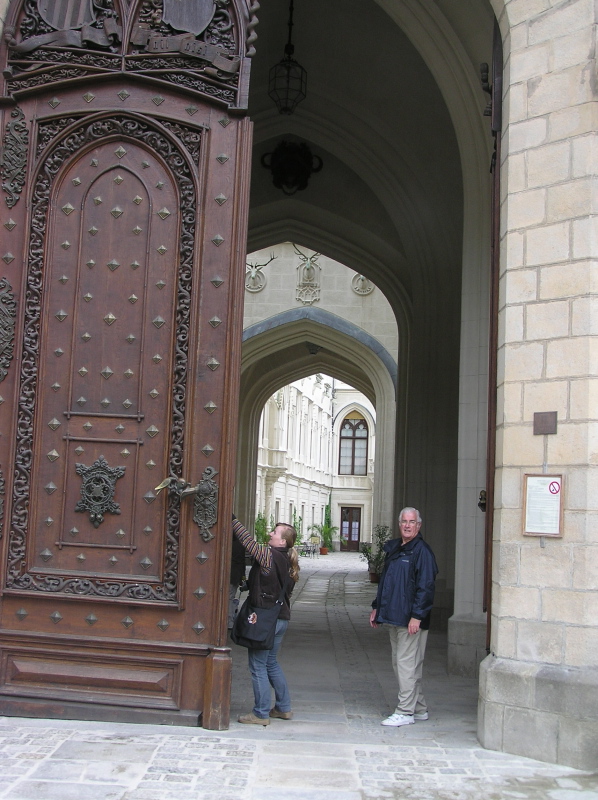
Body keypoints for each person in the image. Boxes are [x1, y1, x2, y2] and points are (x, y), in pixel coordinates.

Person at [369, 507, 438, 727]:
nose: (407, 525)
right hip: (394, 615)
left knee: (406, 665)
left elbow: (425, 587)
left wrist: (417, 616)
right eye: (404, 521)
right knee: (404, 665)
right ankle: (419, 708)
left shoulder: (422, 552)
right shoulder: (397, 549)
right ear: (400, 524)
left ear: (419, 525)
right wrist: (377, 607)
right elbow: (388, 583)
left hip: (410, 619)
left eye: (412, 522)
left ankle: (405, 711)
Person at [232, 516, 300, 726]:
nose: (270, 533)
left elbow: (247, 542)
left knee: (258, 665)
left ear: (282, 542)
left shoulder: (270, 556)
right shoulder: (287, 560)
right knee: (270, 663)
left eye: (275, 532)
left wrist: (232, 519)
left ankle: (261, 713)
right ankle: (283, 707)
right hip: (281, 619)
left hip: (265, 620)